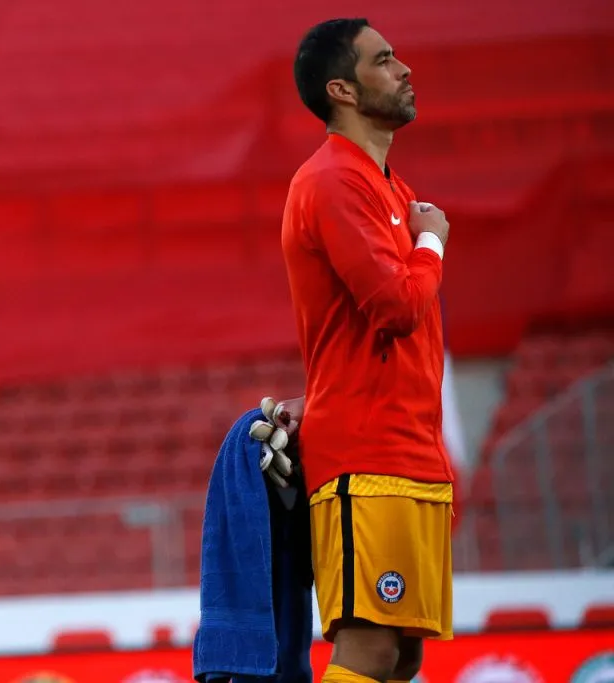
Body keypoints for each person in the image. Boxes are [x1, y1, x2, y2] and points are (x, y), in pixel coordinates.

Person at [276, 18, 455, 683]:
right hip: (365, 452)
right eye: (383, 60)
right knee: (369, 648)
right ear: (341, 90)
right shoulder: (331, 182)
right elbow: (398, 306)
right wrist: (431, 242)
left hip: (413, 449)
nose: (404, 68)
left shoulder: (394, 190)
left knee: (402, 655)